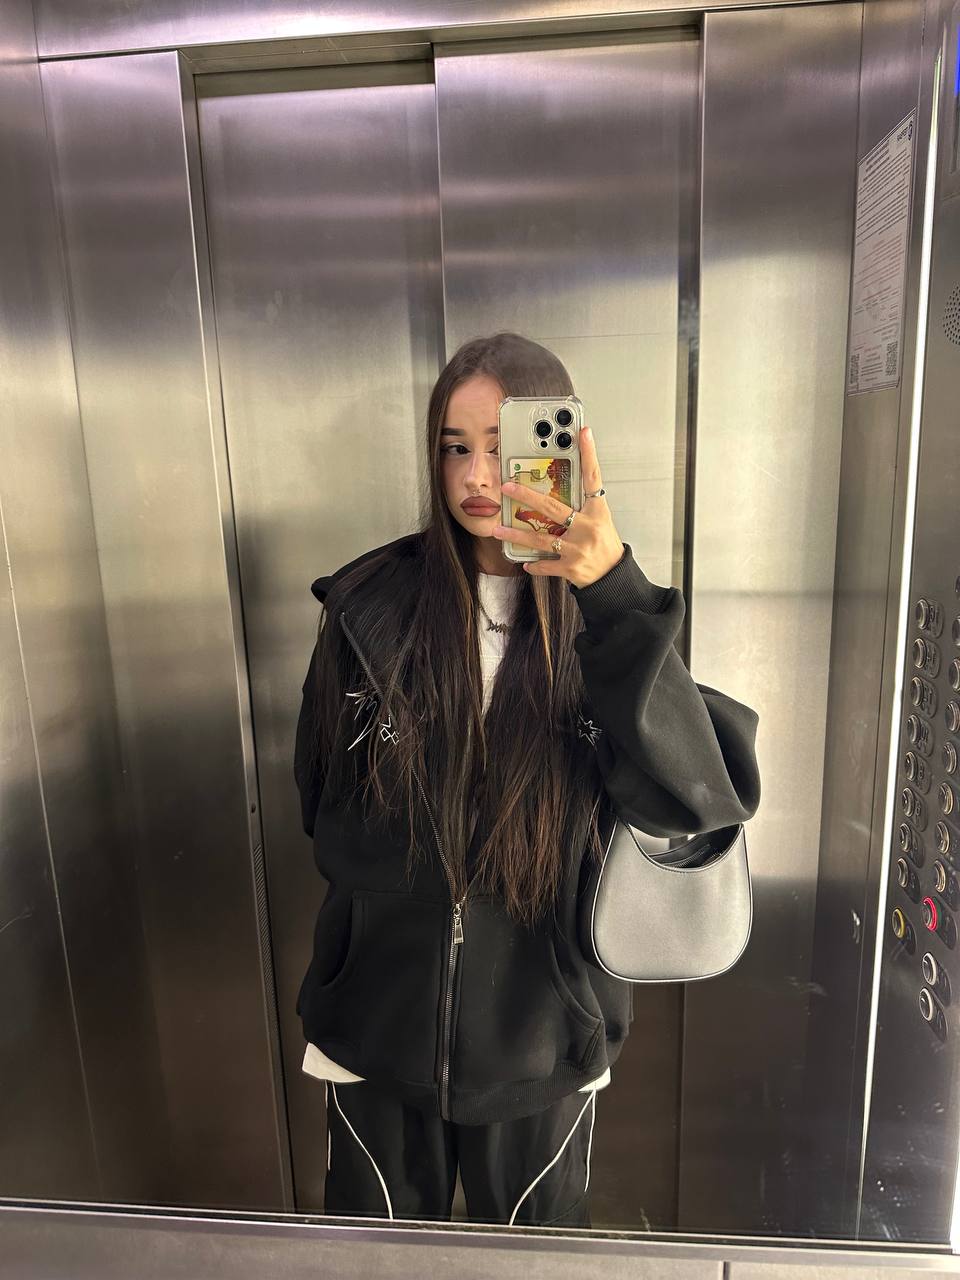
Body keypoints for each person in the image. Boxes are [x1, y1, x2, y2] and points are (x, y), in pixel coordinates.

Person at [293, 332, 761, 1228]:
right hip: (374, 1028)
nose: (476, 476)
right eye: (454, 447)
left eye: (505, 446)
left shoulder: (608, 624)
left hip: (545, 1036)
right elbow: (319, 799)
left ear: (560, 450)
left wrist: (613, 592)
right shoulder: (367, 608)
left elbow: (698, 803)